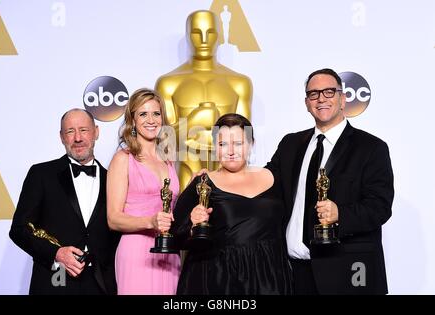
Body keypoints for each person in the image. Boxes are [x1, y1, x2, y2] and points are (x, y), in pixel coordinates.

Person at [266, 68, 394, 294]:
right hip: (295, 273)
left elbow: (380, 207)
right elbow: (265, 182)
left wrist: (340, 214)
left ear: (343, 99)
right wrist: (217, 179)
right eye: (314, 94)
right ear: (307, 103)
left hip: (348, 274)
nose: (321, 98)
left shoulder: (371, 148)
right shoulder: (290, 144)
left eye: (329, 92)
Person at [170, 113, 291, 295]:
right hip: (220, 281)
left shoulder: (274, 177)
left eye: (238, 143)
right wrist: (191, 223)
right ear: (214, 147)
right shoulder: (202, 183)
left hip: (271, 277)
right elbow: (174, 235)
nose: (231, 151)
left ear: (251, 144)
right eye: (222, 144)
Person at [9, 109, 119, 295]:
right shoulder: (41, 174)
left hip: (101, 285)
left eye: (83, 130)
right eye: (70, 131)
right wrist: (56, 253)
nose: (77, 138)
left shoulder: (114, 180)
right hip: (54, 280)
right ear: (61, 137)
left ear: (96, 132)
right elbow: (19, 229)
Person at [155, 10, 253, 189]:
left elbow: (244, 140)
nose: (204, 40)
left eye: (210, 33)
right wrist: (196, 119)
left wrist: (192, 130)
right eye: (196, 33)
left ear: (219, 36)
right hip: (184, 174)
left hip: (228, 180)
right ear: (187, 35)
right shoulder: (168, 83)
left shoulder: (239, 83)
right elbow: (165, 144)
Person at [106, 88, 181, 295]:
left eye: (156, 114)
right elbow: (113, 219)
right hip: (137, 252)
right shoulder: (123, 159)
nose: (151, 120)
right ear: (133, 120)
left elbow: (173, 209)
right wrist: (150, 222)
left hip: (168, 254)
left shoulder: (168, 160)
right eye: (143, 114)